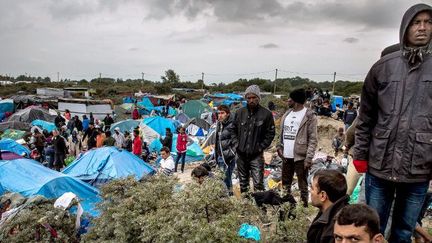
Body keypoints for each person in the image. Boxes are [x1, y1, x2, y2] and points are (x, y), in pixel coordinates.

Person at [353, 4, 432, 242]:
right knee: (373, 227)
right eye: (417, 23)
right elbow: (365, 117)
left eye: (428, 22)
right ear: (405, 28)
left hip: (419, 169)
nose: (422, 28)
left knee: (403, 232)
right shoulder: (382, 67)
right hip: (380, 164)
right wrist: (360, 154)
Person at [231, 85, 275, 193]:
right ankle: (246, 208)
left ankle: (259, 209)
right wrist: (236, 144)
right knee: (243, 185)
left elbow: (270, 133)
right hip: (241, 155)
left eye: (253, 97)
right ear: (246, 98)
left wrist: (260, 147)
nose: (251, 100)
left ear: (258, 98)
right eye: (248, 98)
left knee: (258, 185)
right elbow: (233, 130)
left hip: (256, 156)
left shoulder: (266, 114)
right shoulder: (239, 113)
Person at [277, 89, 317, 207]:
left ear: (296, 101)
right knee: (285, 184)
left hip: (301, 157)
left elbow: (313, 139)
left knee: (302, 185)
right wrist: (279, 146)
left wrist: (308, 158)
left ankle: (303, 207)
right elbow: (282, 133)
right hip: (286, 156)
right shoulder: (287, 114)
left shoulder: (309, 116)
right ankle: (286, 205)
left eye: (290, 98)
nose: (288, 100)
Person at [307, 169, 350, 243]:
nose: (310, 191)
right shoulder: (342, 209)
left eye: (312, 188)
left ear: (323, 195)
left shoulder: (331, 233)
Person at [214, 105, 236, 194]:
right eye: (218, 113)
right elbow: (217, 141)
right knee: (221, 179)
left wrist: (232, 153)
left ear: (227, 114)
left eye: (222, 113)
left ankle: (230, 198)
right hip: (220, 156)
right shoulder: (219, 124)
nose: (220, 115)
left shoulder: (232, 125)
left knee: (226, 179)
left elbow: (237, 141)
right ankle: (225, 198)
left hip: (228, 157)